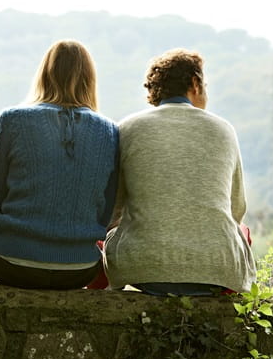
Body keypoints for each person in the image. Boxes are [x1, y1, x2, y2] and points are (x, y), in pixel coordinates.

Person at [105, 48, 255, 295]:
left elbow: (114, 210)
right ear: (195, 83)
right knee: (241, 231)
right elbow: (236, 209)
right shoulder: (224, 130)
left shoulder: (127, 128)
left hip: (143, 270)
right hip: (218, 271)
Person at [0, 40, 119, 290]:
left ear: (44, 74)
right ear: (90, 79)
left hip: (10, 261)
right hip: (80, 269)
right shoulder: (109, 131)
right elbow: (106, 209)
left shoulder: (12, 119)